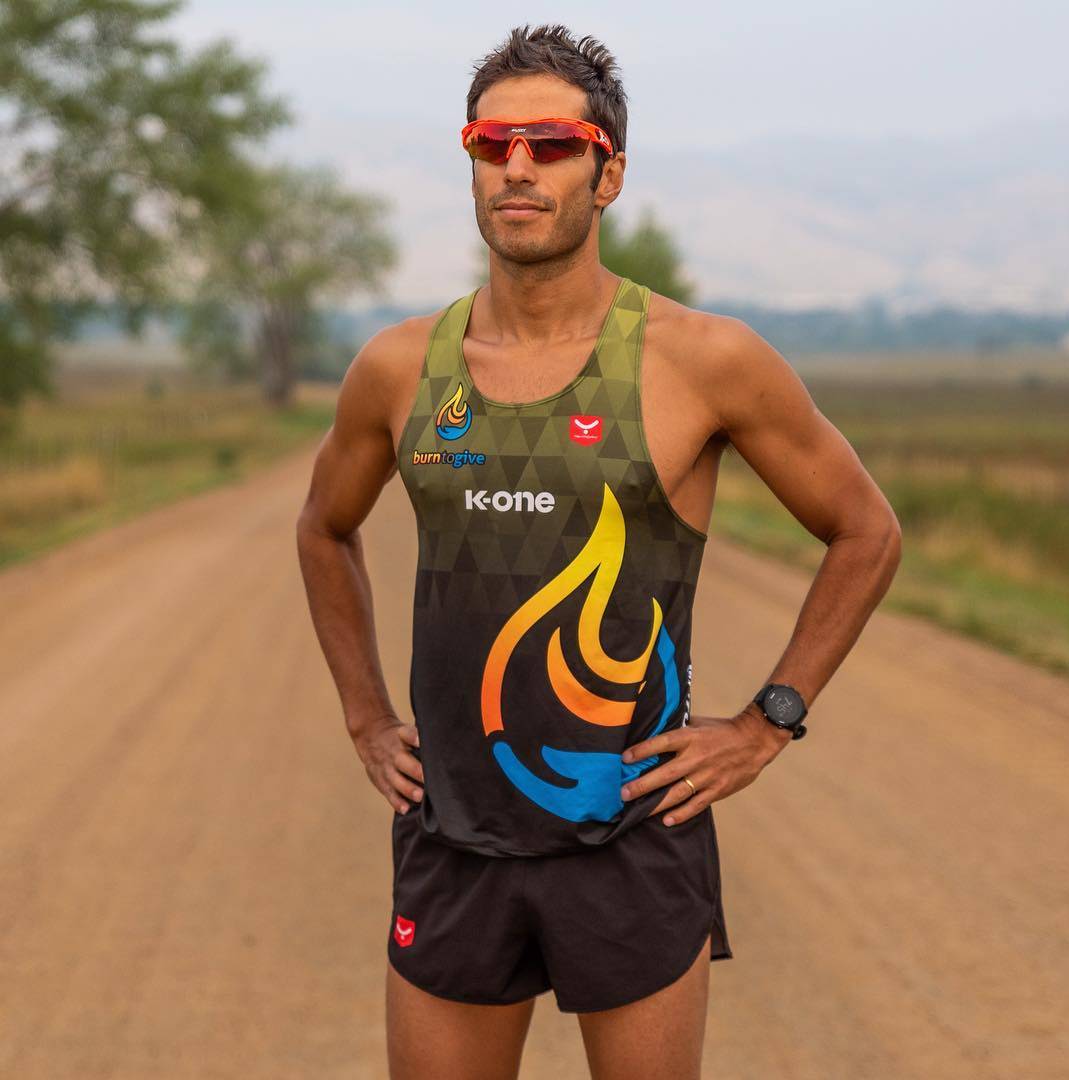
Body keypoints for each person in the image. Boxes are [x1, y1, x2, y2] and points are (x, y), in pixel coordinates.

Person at [296, 23, 902, 1080]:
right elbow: (323, 527)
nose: (518, 168)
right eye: (492, 145)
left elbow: (866, 530)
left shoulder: (701, 359)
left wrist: (770, 723)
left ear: (607, 170)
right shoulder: (402, 367)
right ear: (473, 164)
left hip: (629, 838)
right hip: (453, 841)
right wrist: (363, 713)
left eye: (550, 143)